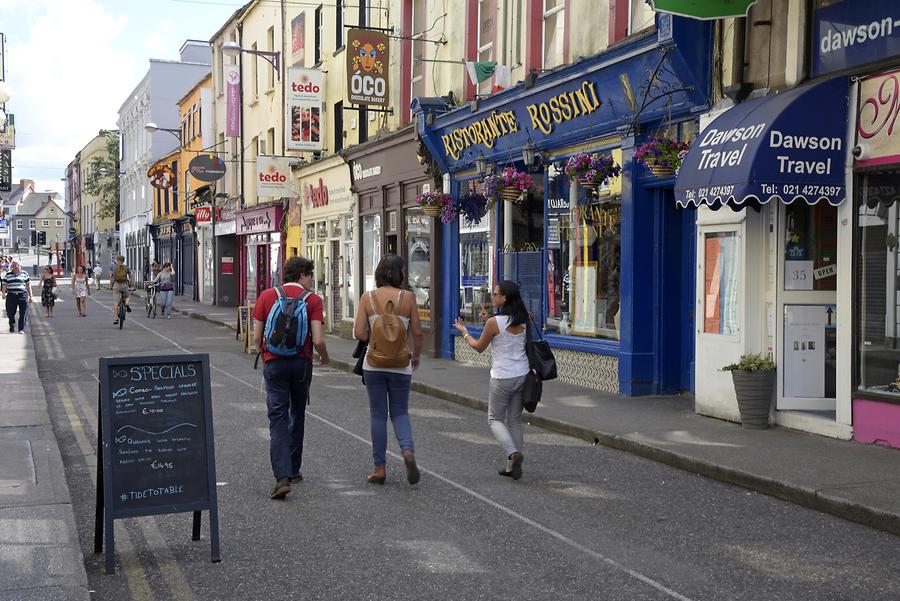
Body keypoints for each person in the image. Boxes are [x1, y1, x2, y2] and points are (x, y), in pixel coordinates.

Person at [252, 256, 329, 500]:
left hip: (274, 363)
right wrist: (324, 357)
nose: (311, 281)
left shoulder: (266, 296)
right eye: (310, 276)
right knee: (297, 414)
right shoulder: (313, 300)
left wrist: (264, 356)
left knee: (277, 419)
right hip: (301, 364)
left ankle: (281, 477)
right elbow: (317, 340)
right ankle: (294, 469)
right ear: (302, 275)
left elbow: (256, 338)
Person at [353, 254, 423, 486]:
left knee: (378, 415)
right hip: (401, 363)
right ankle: (407, 451)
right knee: (400, 412)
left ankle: (379, 468)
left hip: (373, 363)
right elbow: (418, 332)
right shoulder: (409, 298)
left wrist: (374, 337)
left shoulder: (367, 298)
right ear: (399, 273)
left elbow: (358, 333)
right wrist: (417, 356)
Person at [454, 280, 530, 480]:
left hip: (502, 376)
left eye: (495, 293)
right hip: (522, 374)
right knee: (514, 419)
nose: (493, 296)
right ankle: (512, 466)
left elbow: (479, 347)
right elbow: (510, 330)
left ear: (504, 297)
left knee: (494, 419)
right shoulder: (525, 318)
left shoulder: (493, 323)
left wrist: (464, 333)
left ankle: (513, 454)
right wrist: (491, 318)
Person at [1, 260, 34, 333]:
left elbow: (28, 285)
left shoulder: (25, 274)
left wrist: (31, 296)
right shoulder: (8, 274)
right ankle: (12, 325)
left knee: (23, 313)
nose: (18, 267)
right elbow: (4, 284)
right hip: (11, 296)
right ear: (12, 267)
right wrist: (3, 293)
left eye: (19, 266)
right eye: (16, 266)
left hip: (23, 295)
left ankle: (21, 329)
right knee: (10, 313)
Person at [110, 255, 133, 325]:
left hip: (116, 285)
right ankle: (126, 304)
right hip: (124, 285)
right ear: (123, 260)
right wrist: (132, 285)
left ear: (117, 260)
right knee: (127, 297)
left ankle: (116, 318)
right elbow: (131, 276)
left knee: (116, 302)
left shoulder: (113, 267)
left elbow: (111, 276)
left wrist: (111, 285)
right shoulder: (126, 267)